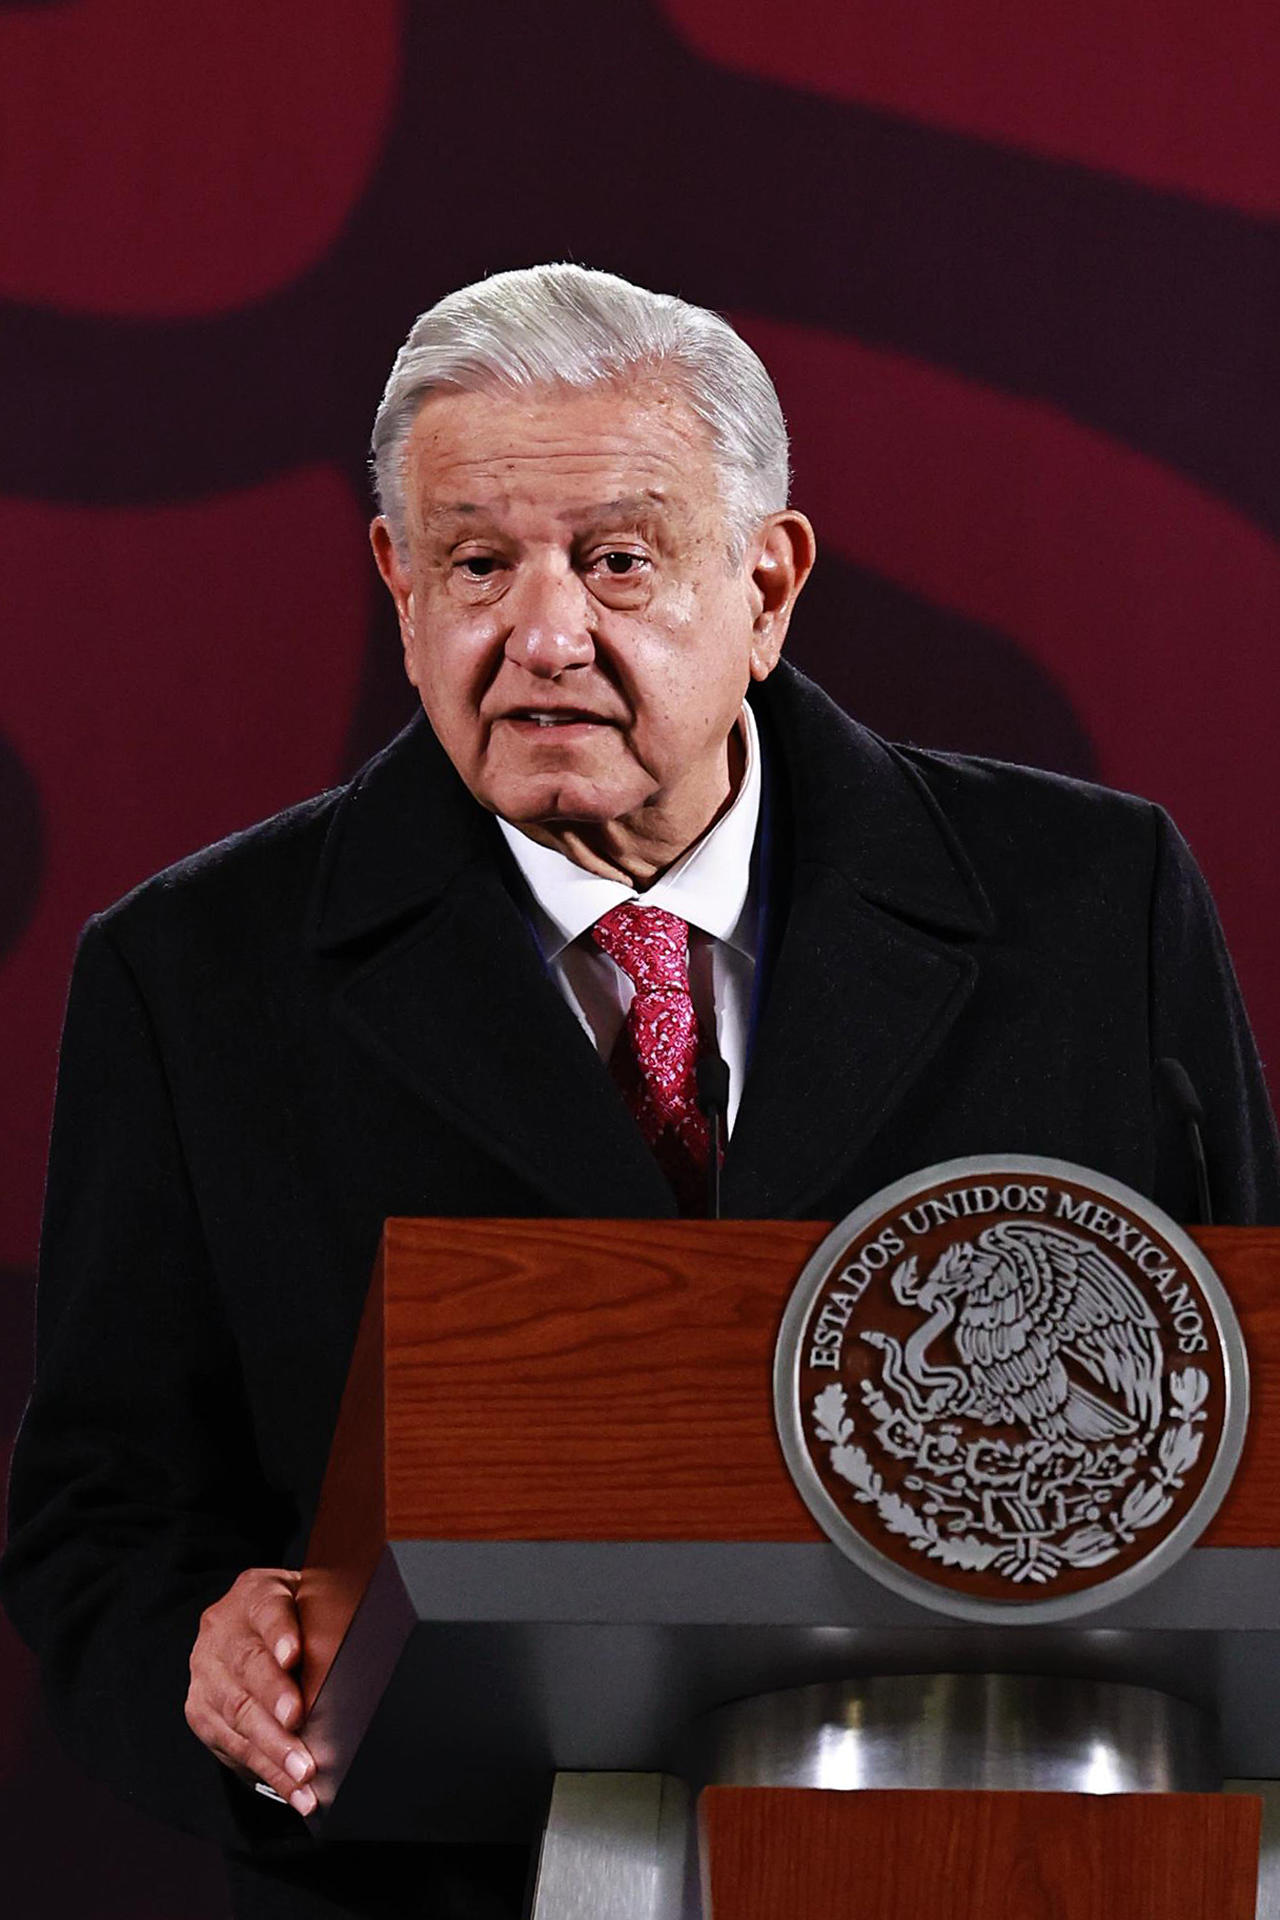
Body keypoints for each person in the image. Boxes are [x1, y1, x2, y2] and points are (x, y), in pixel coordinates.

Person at [4, 265, 1278, 1920]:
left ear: (769, 583)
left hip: (1021, 1863)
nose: (543, 634)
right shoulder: (194, 980)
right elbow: (96, 1528)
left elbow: (1255, 1433)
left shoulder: (1093, 907)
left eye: (618, 559)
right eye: (478, 563)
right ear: (398, 584)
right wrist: (211, 1660)